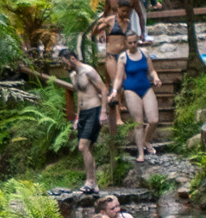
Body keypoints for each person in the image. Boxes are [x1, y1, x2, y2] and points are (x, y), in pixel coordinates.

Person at [58, 47, 107, 191]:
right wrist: (77, 117)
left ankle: (89, 181)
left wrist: (103, 112)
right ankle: (95, 185)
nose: (63, 65)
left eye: (64, 62)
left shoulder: (88, 71)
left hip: (94, 110)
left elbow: (103, 89)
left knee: (82, 146)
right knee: (88, 148)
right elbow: (79, 95)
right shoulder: (73, 75)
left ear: (72, 58)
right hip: (84, 114)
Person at [110, 31, 163, 164]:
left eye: (135, 42)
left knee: (154, 119)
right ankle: (140, 152)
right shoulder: (123, 57)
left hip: (146, 87)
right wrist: (115, 90)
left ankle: (146, 140)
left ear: (138, 40)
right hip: (131, 90)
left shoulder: (144, 53)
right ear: (126, 43)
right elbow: (118, 77)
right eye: (130, 42)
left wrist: (156, 78)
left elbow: (151, 70)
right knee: (138, 123)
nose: (133, 45)